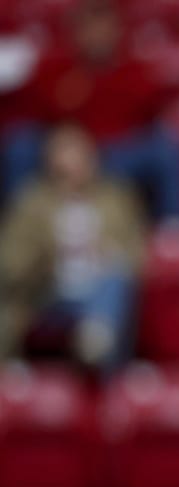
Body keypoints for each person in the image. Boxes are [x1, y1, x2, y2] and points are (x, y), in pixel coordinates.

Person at [1, 0, 179, 223]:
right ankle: (14, 227)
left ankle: (175, 238)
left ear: (118, 28)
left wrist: (97, 153)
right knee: (19, 145)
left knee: (168, 149)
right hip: (62, 152)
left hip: (114, 157)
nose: (96, 33)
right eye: (88, 25)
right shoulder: (52, 70)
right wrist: (59, 144)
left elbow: (153, 125)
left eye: (103, 24)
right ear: (76, 29)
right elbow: (29, 117)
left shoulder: (138, 74)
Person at [0, 123, 146, 373]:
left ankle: (97, 341)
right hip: (48, 291)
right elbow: (8, 264)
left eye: (79, 152)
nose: (72, 161)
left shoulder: (117, 198)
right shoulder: (32, 202)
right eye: (63, 151)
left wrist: (110, 253)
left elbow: (140, 254)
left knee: (114, 281)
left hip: (99, 290)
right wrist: (46, 253)